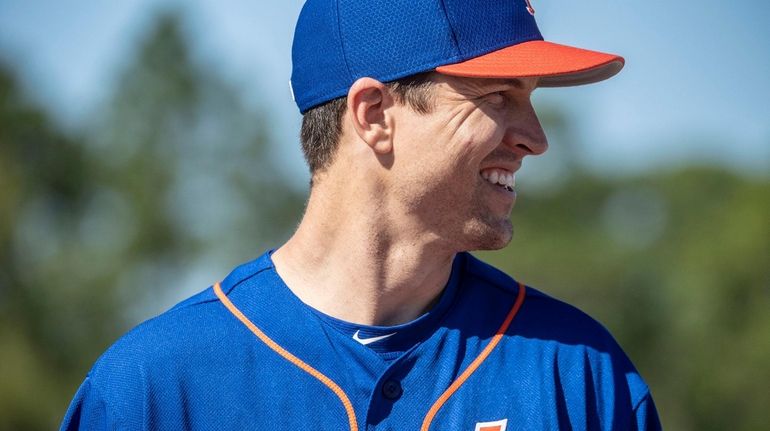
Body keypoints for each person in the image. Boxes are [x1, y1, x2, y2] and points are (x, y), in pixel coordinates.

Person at [61, 0, 661, 430]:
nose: (535, 137)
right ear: (374, 114)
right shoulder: (155, 388)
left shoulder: (578, 373)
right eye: (498, 97)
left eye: (530, 100)